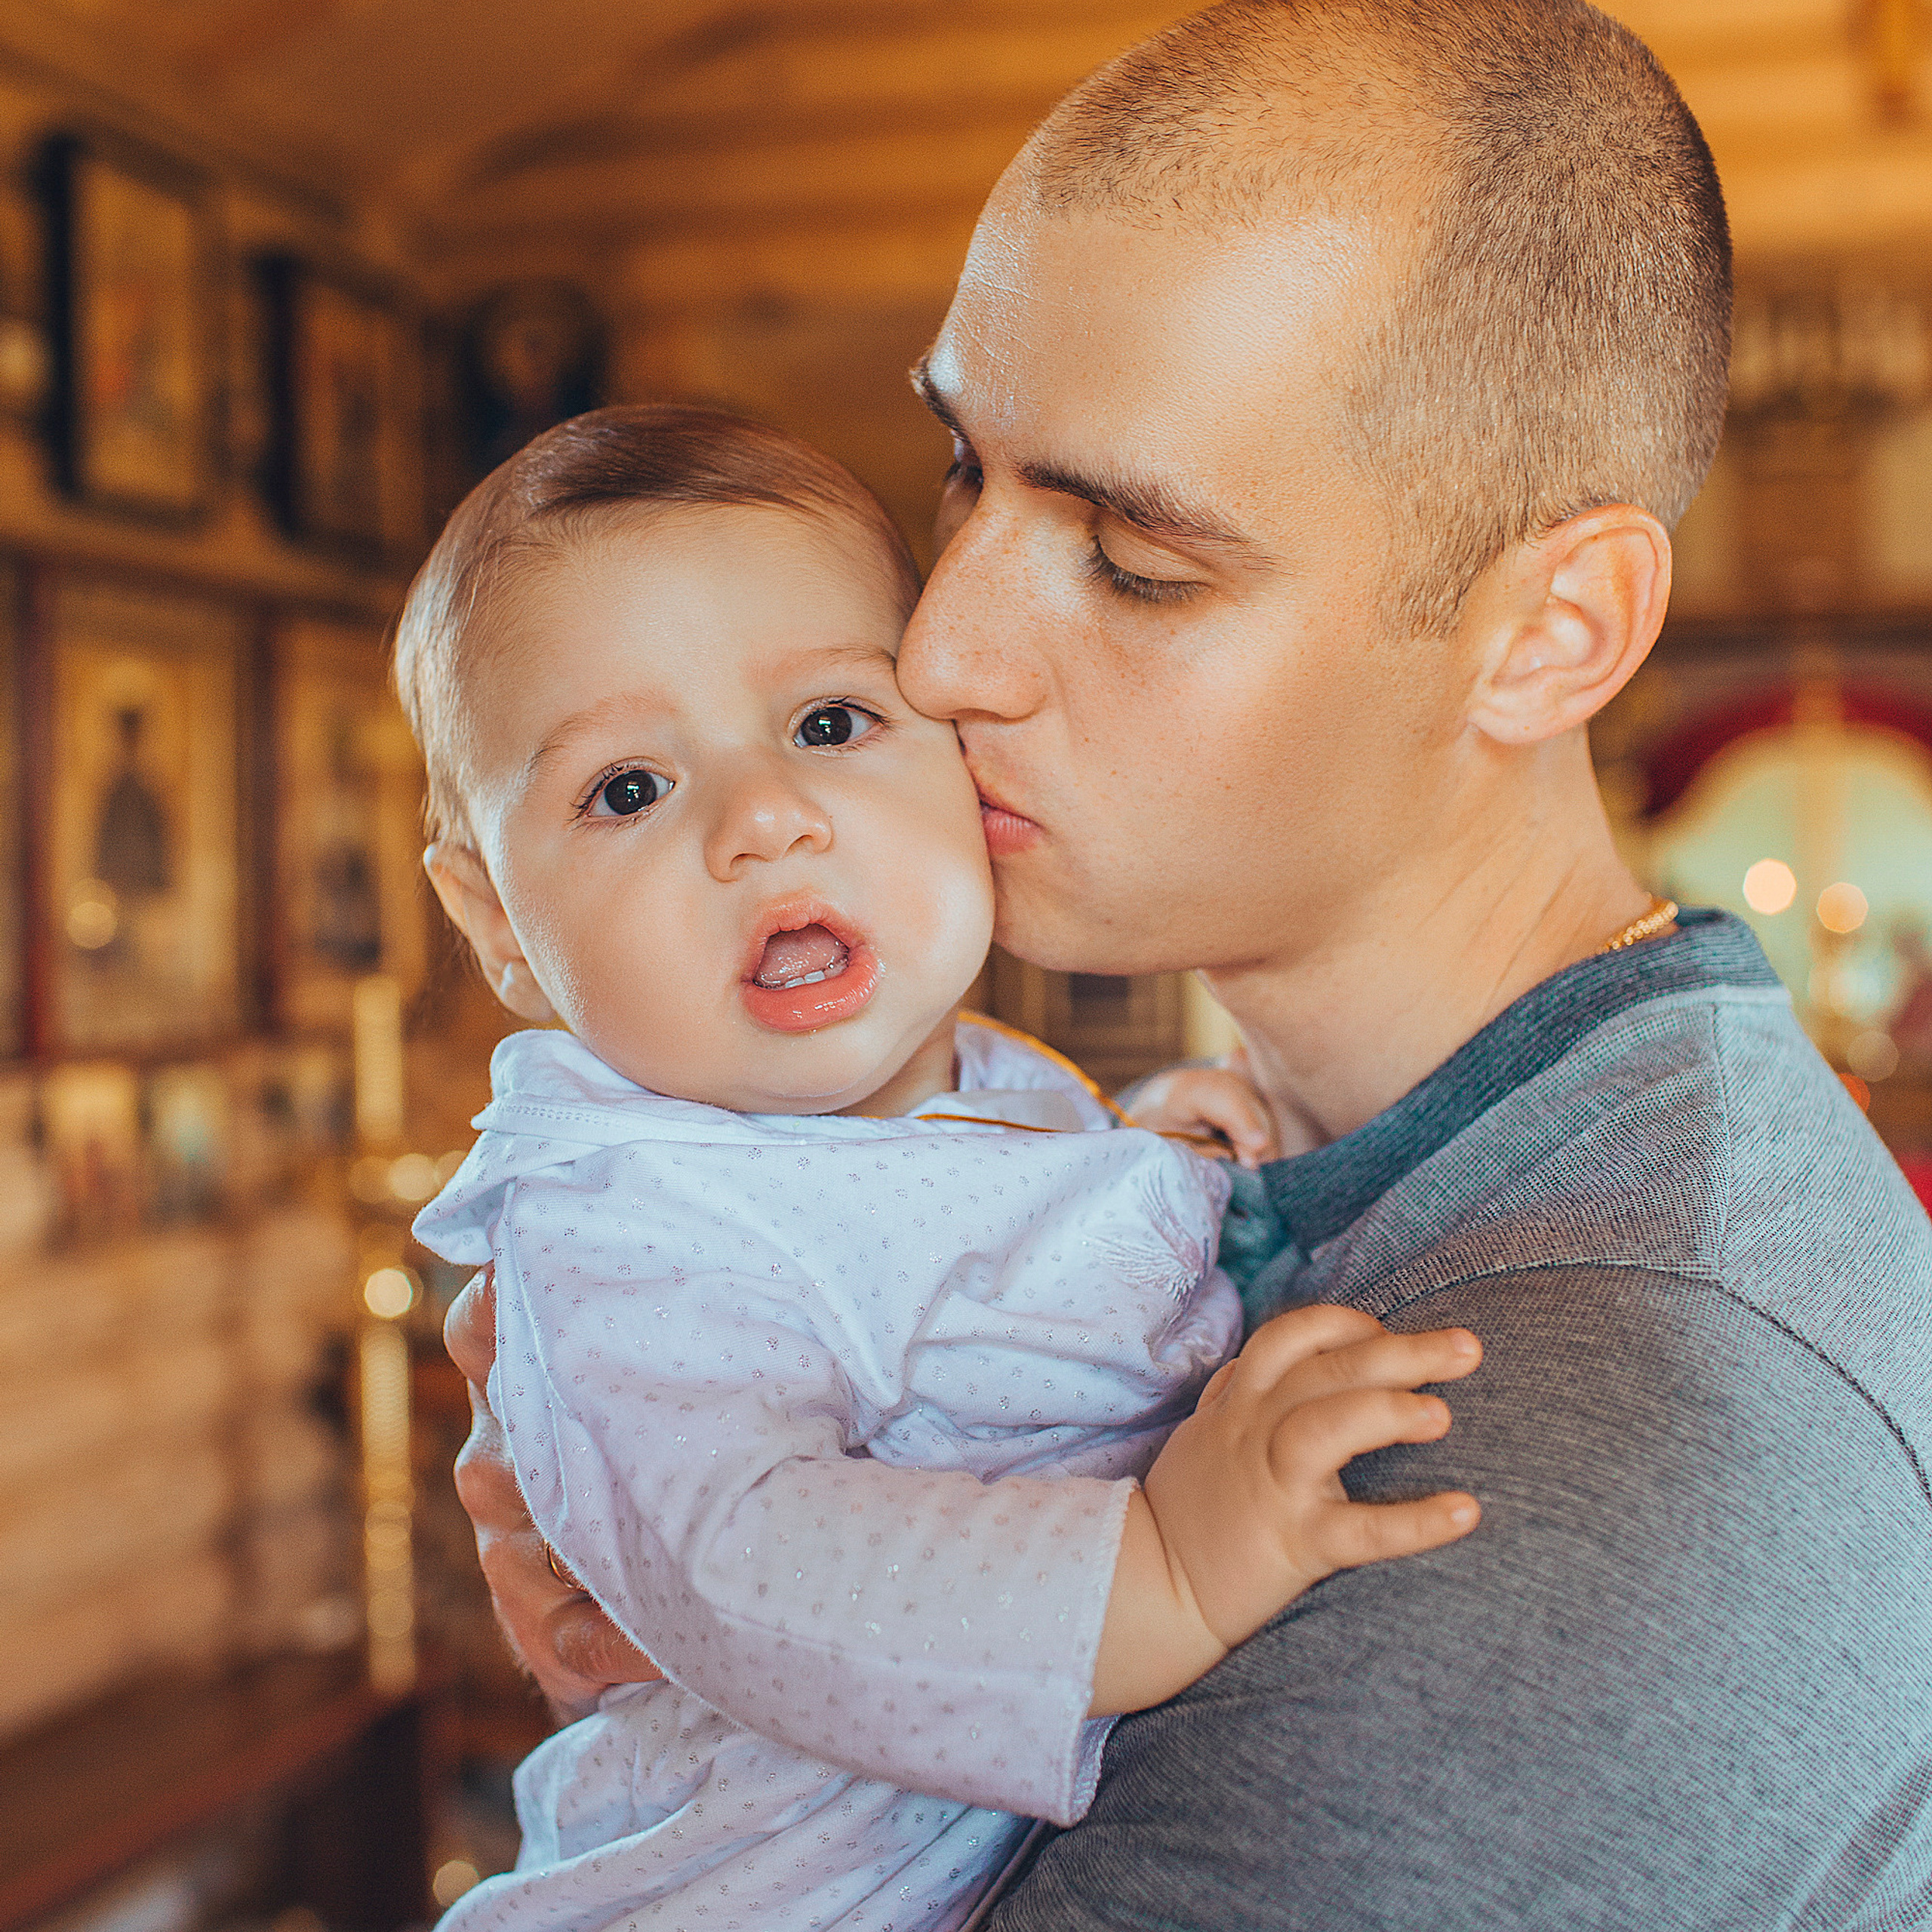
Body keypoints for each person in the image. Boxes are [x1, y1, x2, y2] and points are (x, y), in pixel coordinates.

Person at [447, 2, 1932, 1924]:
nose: (940, 652)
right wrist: (720, 1623)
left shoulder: (1574, 1452)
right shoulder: (1234, 1148)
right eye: (963, 466)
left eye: (1137, 560)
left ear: (1549, 631)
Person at [401, 405, 1483, 1932]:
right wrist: (1164, 1569)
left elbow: (949, 1248)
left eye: (829, 724)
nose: (764, 819)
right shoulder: (624, 1223)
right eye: (628, 788)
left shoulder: (982, 1082)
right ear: (497, 922)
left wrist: (1134, 1160)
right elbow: (747, 1559)